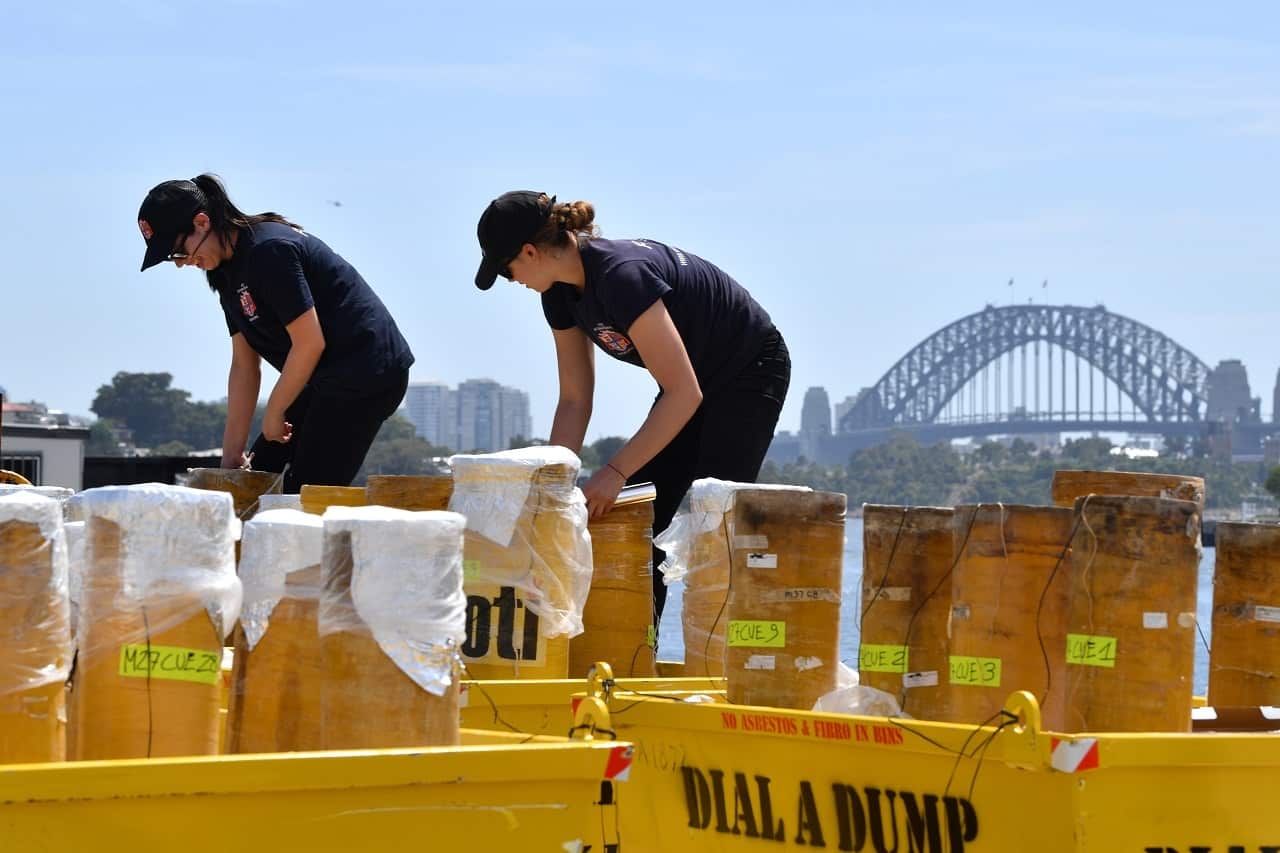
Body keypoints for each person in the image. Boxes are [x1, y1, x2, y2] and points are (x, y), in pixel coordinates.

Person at [473, 191, 790, 621]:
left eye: (506, 270)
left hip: (749, 369)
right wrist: (551, 487)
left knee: (714, 521)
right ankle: (637, 656)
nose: (513, 281)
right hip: (688, 382)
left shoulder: (622, 275)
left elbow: (684, 394)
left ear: (529, 252)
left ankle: (718, 666)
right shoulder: (558, 295)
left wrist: (615, 471)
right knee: (637, 522)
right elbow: (574, 399)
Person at [138, 174, 414, 493]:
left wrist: (275, 410)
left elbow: (309, 342)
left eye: (177, 252)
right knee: (253, 479)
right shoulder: (225, 274)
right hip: (323, 377)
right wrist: (231, 457)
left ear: (202, 222)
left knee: (305, 493)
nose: (181, 264)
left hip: (367, 370)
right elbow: (244, 365)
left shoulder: (270, 251)